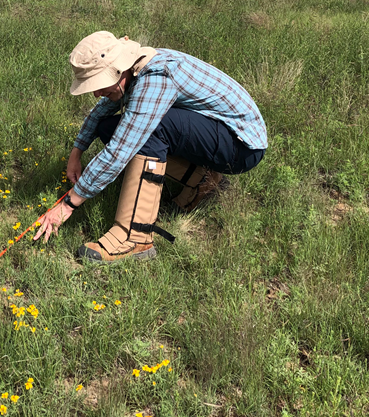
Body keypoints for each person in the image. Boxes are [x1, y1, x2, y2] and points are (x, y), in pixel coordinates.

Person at [33, 31, 267, 262]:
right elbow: (101, 112)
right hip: (219, 133)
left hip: (241, 147)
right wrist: (77, 153)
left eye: (100, 84)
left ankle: (134, 237)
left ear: (118, 69)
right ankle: (202, 180)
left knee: (151, 128)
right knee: (109, 127)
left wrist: (69, 203)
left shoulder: (157, 78)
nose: (96, 93)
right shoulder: (136, 68)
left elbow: (119, 151)